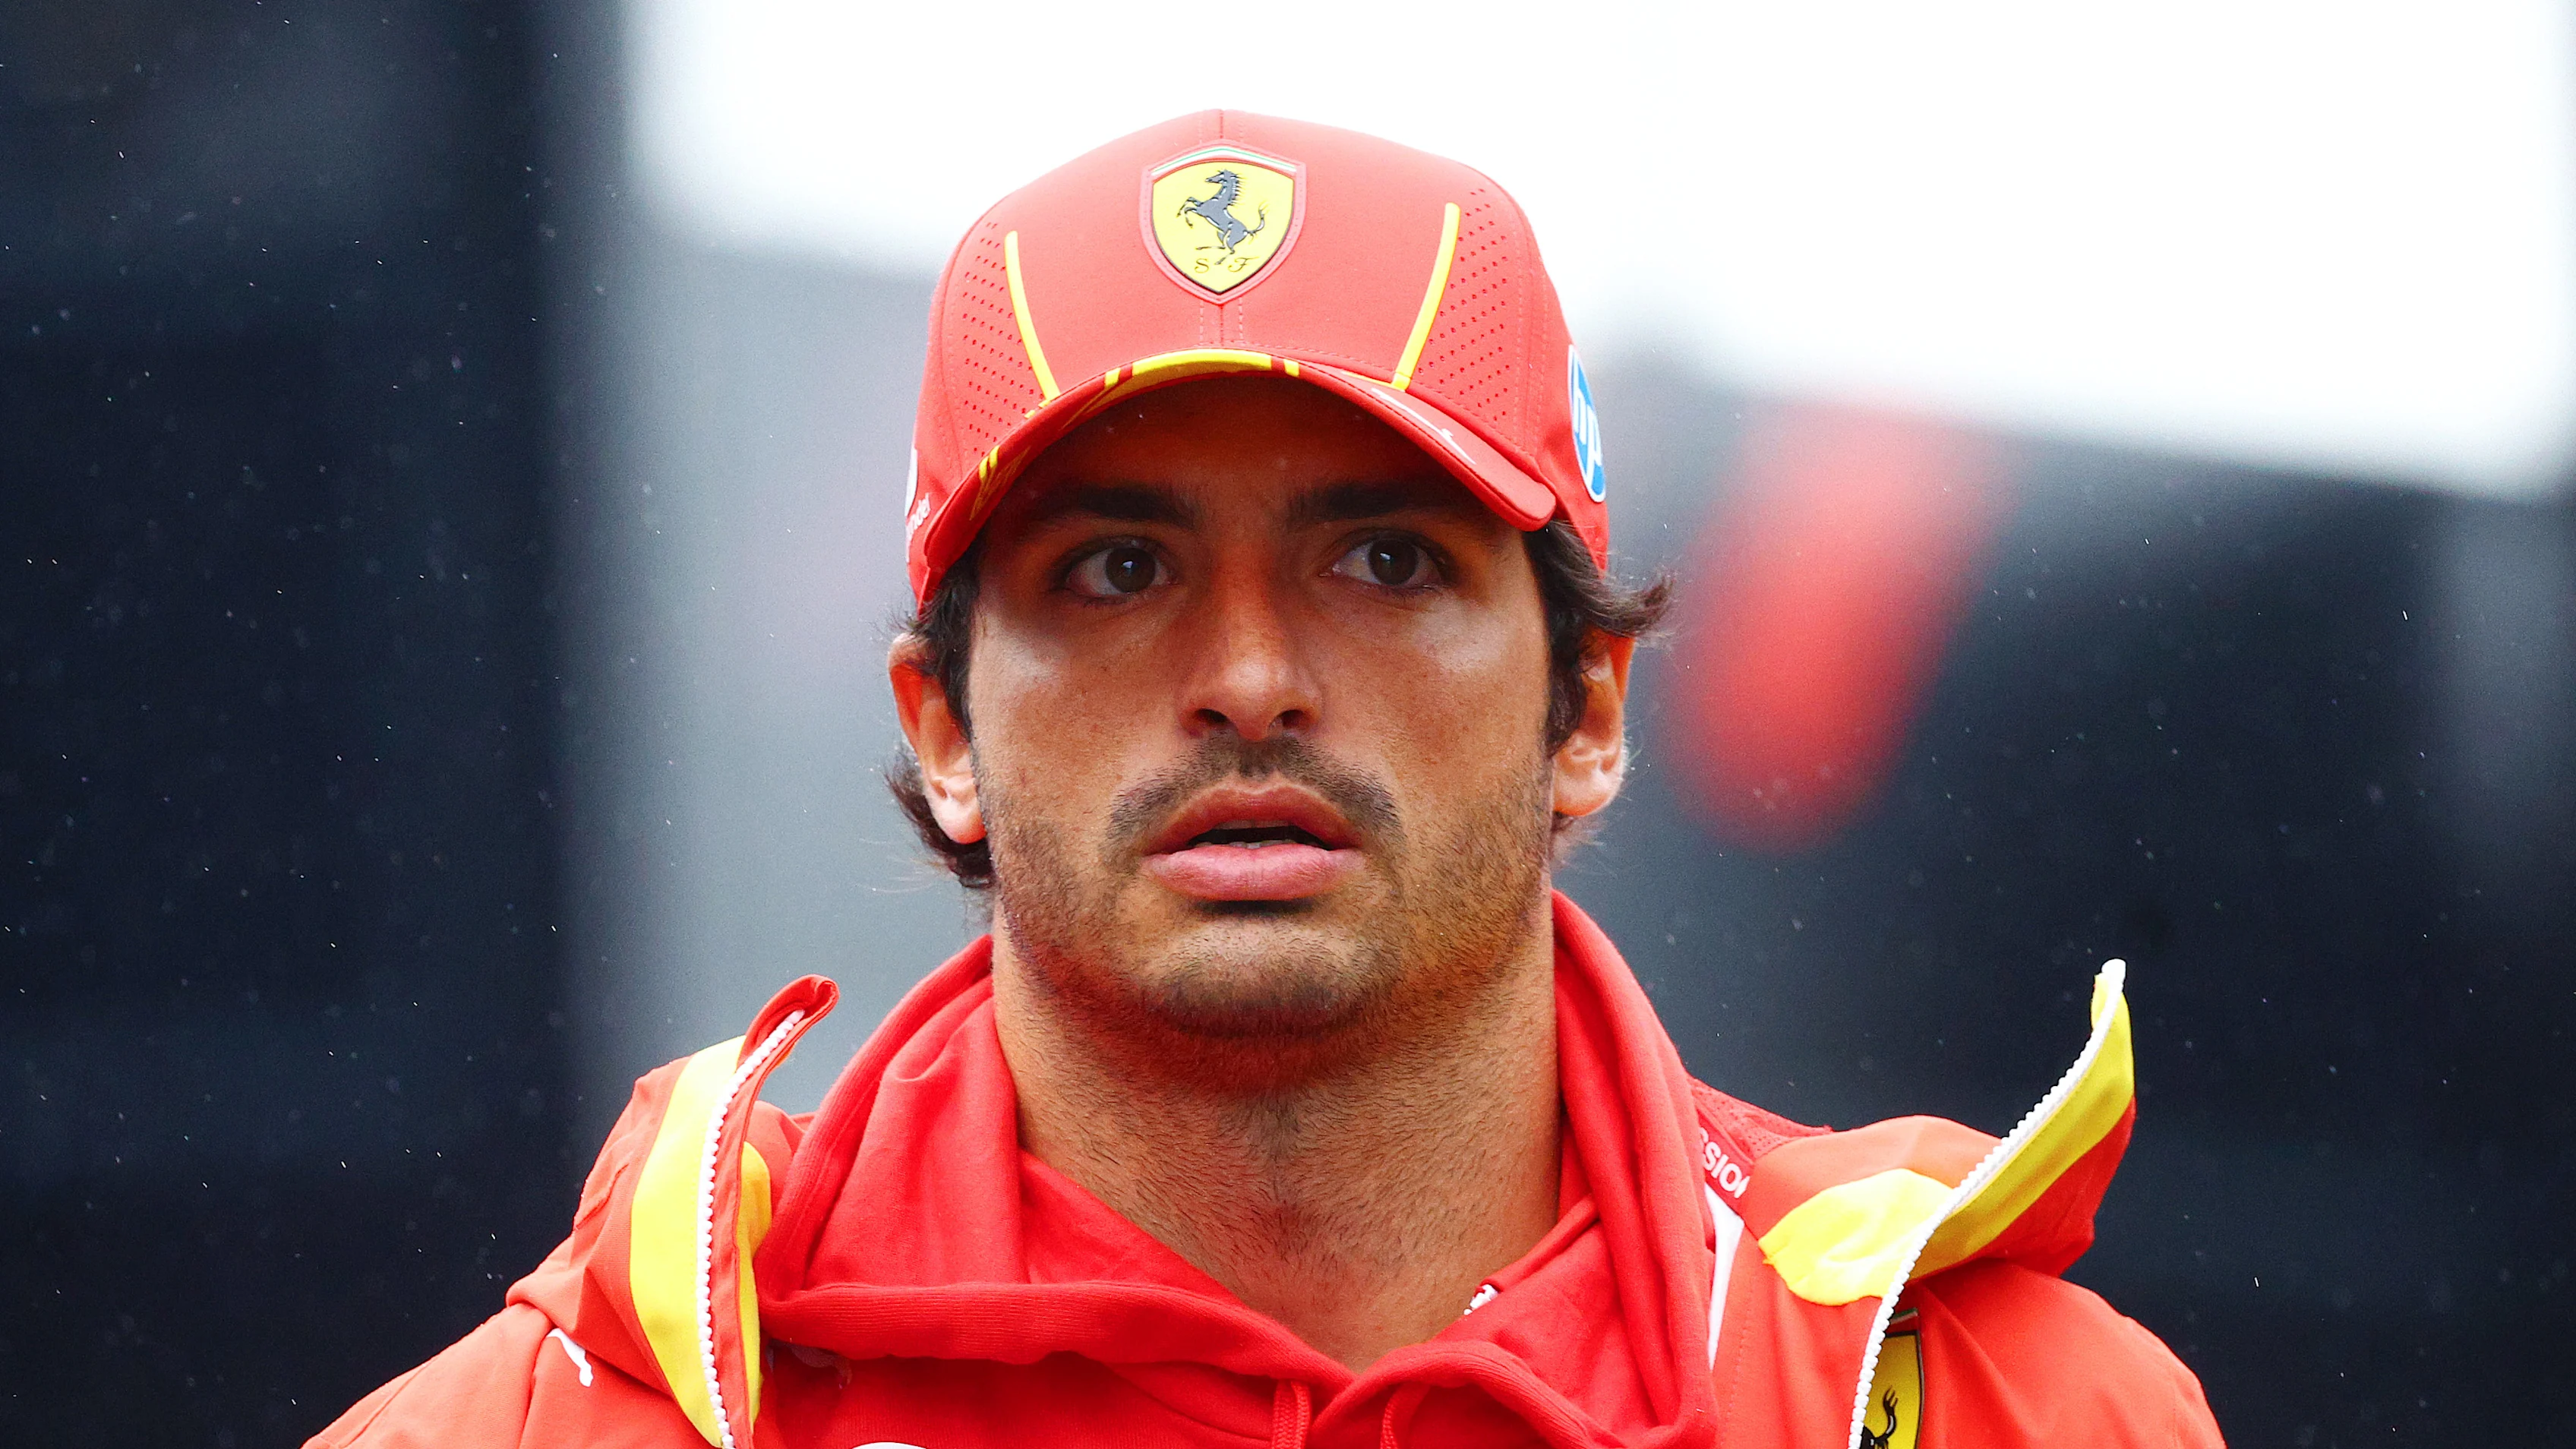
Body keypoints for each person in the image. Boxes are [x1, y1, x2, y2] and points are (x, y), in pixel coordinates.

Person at [310, 112, 2224, 1449]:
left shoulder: (2006, 1412)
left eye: (1385, 562)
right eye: (1117, 571)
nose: (1245, 682)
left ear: (1588, 707)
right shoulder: (556, 1431)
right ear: (944, 733)